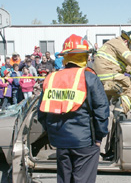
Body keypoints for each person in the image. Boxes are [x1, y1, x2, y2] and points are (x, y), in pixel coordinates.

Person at [38, 34, 109, 183]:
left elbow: (42, 113)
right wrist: (99, 137)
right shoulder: (90, 78)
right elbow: (101, 110)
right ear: (84, 57)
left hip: (60, 141)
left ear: (65, 57)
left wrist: (53, 134)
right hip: (85, 141)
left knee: (64, 179)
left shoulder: (51, 78)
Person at [93, 30, 131, 115]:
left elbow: (127, 68)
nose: (130, 50)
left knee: (104, 102)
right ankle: (120, 110)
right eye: (130, 47)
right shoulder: (119, 44)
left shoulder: (110, 44)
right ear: (126, 42)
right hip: (110, 76)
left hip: (100, 80)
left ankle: (104, 119)